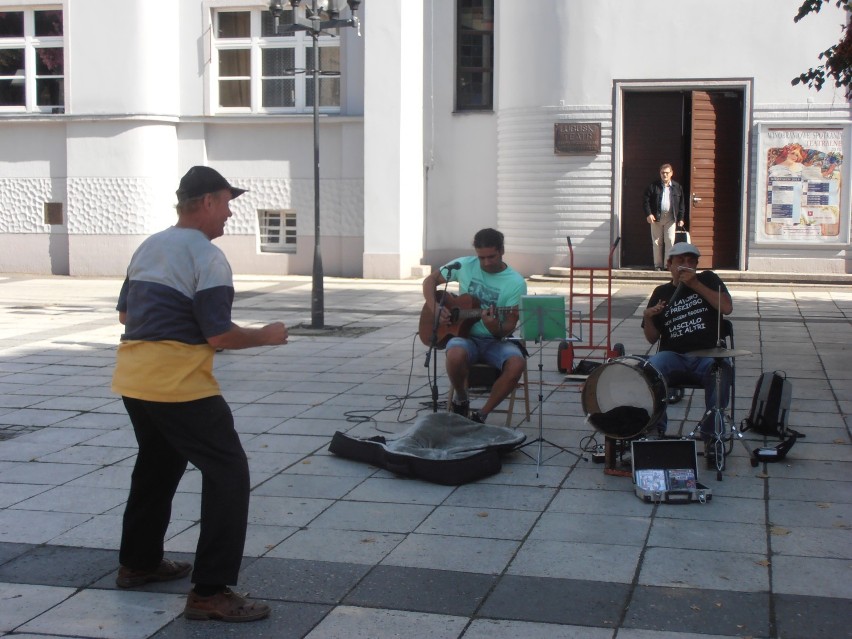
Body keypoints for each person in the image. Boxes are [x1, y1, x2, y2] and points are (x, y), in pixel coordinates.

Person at [111, 166, 289, 622]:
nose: (230, 214)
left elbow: (127, 316)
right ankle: (210, 592)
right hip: (179, 386)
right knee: (228, 472)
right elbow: (219, 336)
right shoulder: (208, 257)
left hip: (134, 379)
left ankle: (139, 564)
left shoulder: (150, 245)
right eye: (228, 203)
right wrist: (267, 335)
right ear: (207, 201)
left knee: (158, 464)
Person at [421, 228, 527, 423]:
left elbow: (508, 328)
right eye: (481, 258)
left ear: (502, 250)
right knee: (454, 354)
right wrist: (435, 307)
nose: (486, 262)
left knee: (517, 364)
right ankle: (461, 399)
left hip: (495, 341)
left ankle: (481, 415)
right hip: (464, 337)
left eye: (491, 257)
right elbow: (430, 281)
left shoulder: (515, 283)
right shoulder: (464, 265)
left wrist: (493, 325)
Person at [641, 242, 733, 438]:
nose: (686, 265)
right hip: (673, 355)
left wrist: (695, 284)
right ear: (669, 265)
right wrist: (648, 316)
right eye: (680, 261)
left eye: (691, 261)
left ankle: (712, 433)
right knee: (651, 369)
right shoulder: (661, 292)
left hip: (707, 354)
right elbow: (651, 338)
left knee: (722, 368)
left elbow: (726, 308)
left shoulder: (708, 279)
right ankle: (655, 428)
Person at [643, 163, 686, 270]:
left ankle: (668, 265)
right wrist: (649, 214)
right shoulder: (653, 186)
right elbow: (645, 201)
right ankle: (658, 265)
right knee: (657, 242)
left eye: (667, 173)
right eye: (662, 173)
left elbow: (681, 204)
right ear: (660, 174)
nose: (665, 175)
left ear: (671, 173)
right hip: (656, 218)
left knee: (670, 240)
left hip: (671, 218)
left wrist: (680, 218)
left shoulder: (677, 187)